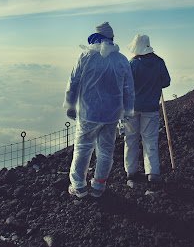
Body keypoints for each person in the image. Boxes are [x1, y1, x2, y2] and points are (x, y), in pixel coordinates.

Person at [63, 22, 134, 198]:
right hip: (111, 115)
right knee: (106, 150)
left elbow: (73, 82)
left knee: (82, 149)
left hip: (89, 113)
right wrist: (128, 111)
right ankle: (99, 186)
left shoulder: (85, 56)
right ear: (111, 39)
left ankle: (78, 186)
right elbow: (128, 88)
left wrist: (70, 105)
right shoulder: (121, 60)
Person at [124, 34, 170, 185]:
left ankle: (130, 171)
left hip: (132, 107)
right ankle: (152, 172)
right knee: (149, 139)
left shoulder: (133, 64)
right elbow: (166, 82)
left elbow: (126, 84)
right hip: (151, 108)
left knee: (130, 138)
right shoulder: (159, 62)